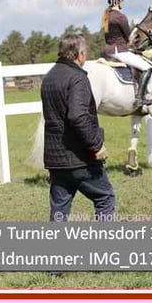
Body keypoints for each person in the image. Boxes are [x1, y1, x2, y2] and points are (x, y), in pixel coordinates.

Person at [41, 33, 115, 224]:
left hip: (56, 160)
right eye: (85, 53)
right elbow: (78, 116)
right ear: (80, 55)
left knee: (59, 210)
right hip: (79, 158)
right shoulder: (77, 78)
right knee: (105, 198)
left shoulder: (49, 77)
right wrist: (96, 145)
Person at [101, 0, 152, 108]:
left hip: (108, 51)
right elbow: (128, 36)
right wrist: (137, 46)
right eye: (121, 1)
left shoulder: (106, 16)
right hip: (119, 51)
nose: (122, 3)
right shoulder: (120, 17)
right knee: (147, 67)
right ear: (117, 1)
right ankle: (141, 97)